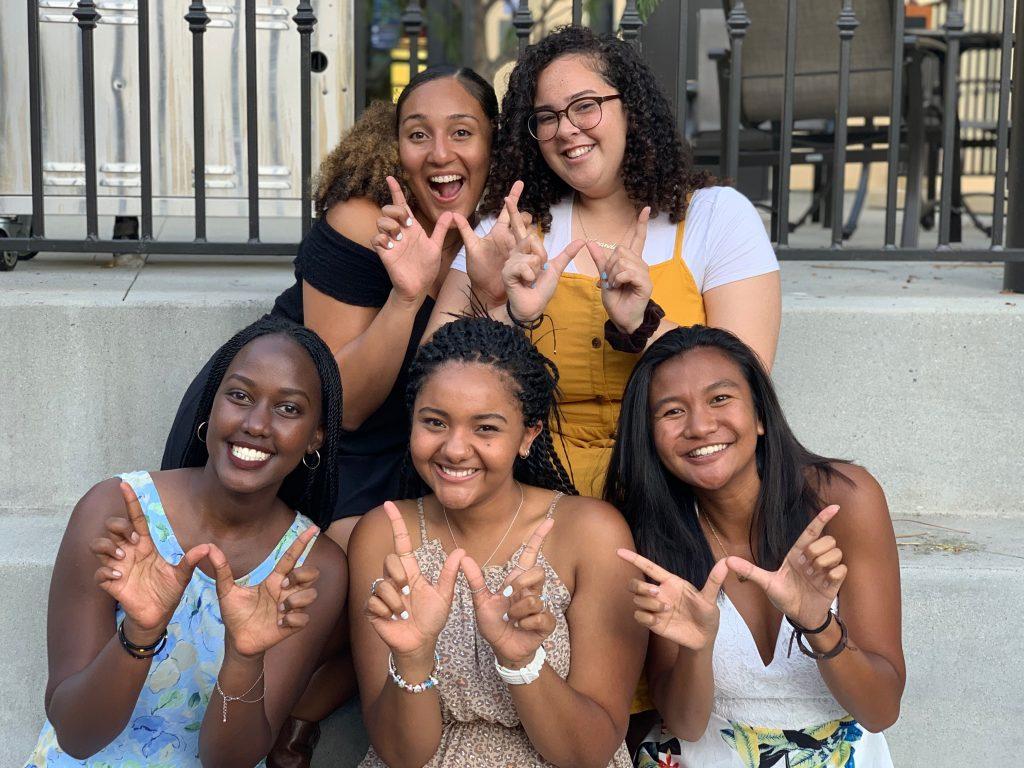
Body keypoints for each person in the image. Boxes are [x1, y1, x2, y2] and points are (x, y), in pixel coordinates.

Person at [159, 66, 499, 762]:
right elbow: (345, 403)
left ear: (495, 145)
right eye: (418, 135)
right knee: (348, 569)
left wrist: (469, 284)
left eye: (462, 133)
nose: (440, 153)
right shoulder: (365, 216)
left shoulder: (504, 230)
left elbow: (439, 386)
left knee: (419, 578)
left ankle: (297, 717)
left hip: (415, 433)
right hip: (305, 420)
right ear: (392, 144)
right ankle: (267, 723)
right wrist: (414, 294)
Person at [428, 25, 781, 500]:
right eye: (547, 117)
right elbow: (429, 381)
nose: (566, 129)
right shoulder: (510, 224)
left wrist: (642, 323)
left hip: (680, 486)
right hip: (539, 489)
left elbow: (744, 386)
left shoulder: (718, 216)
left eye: (585, 106)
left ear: (630, 108)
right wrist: (502, 308)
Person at [26, 316, 348, 767]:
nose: (256, 424)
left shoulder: (313, 568)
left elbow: (228, 761)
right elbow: (77, 735)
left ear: (316, 436)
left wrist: (243, 656)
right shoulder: (114, 510)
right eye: (239, 396)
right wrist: (139, 634)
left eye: (288, 408)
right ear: (209, 409)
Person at [347, 317, 647, 767]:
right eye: (434, 422)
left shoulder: (589, 533)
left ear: (529, 435)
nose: (454, 448)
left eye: (485, 428)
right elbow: (400, 755)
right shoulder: (385, 536)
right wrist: (412, 658)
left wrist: (523, 661)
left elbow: (589, 752)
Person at [606, 325, 904, 767]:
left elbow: (881, 710)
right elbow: (686, 724)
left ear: (760, 415)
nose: (701, 426)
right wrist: (697, 646)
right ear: (650, 436)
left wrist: (818, 624)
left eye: (720, 399)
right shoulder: (647, 527)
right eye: (671, 412)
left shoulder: (844, 501)